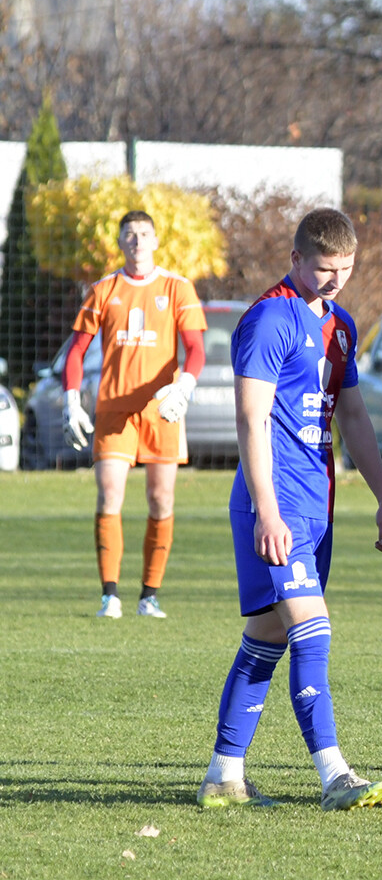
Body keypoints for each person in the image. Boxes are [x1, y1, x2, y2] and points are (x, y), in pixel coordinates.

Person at [198, 208, 382, 811]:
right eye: (324, 269)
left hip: (317, 507)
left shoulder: (341, 325)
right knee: (313, 632)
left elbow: (353, 415)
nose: (336, 280)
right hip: (276, 504)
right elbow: (250, 417)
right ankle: (336, 775)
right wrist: (266, 510)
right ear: (295, 260)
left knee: (267, 637)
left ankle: (223, 775)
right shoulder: (269, 318)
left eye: (346, 268)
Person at [62, 210, 206, 619]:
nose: (138, 240)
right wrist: (72, 401)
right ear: (120, 242)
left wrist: (184, 387)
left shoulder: (177, 287)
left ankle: (150, 595)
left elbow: (196, 348)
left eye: (144, 233)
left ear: (156, 241)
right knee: (109, 494)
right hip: (113, 408)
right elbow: (76, 351)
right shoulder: (104, 289)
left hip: (163, 408)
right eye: (130, 234)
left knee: (161, 498)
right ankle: (110, 595)